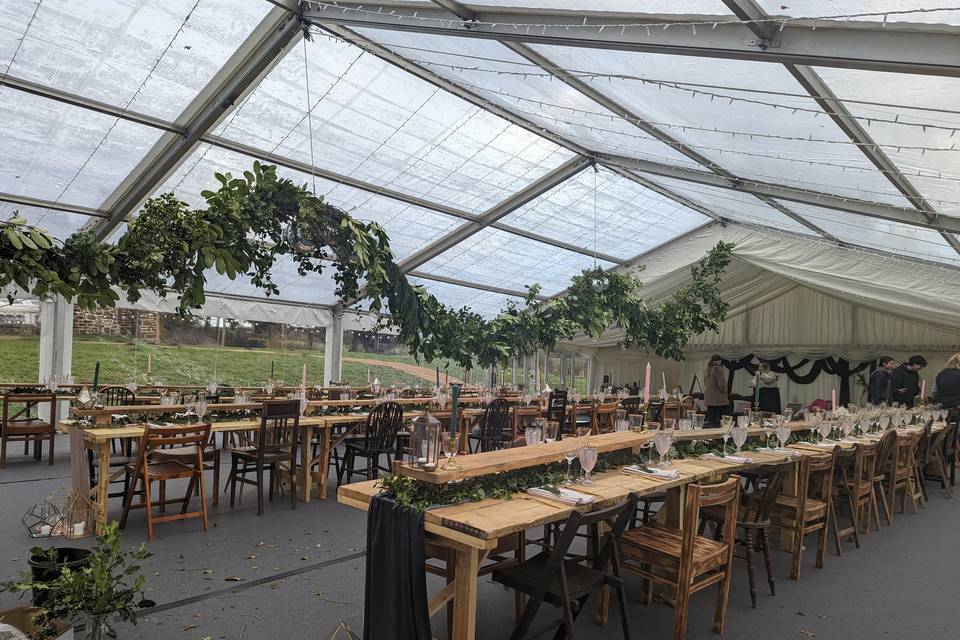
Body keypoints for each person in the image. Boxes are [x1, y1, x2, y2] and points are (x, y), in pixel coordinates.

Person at [704, 355, 729, 427]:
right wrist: (725, 391)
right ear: (719, 361)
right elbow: (722, 384)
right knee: (722, 421)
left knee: (712, 419)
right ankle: (721, 436)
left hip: (709, 397)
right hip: (719, 399)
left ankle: (711, 435)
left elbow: (705, 383)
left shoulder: (707, 369)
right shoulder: (718, 369)